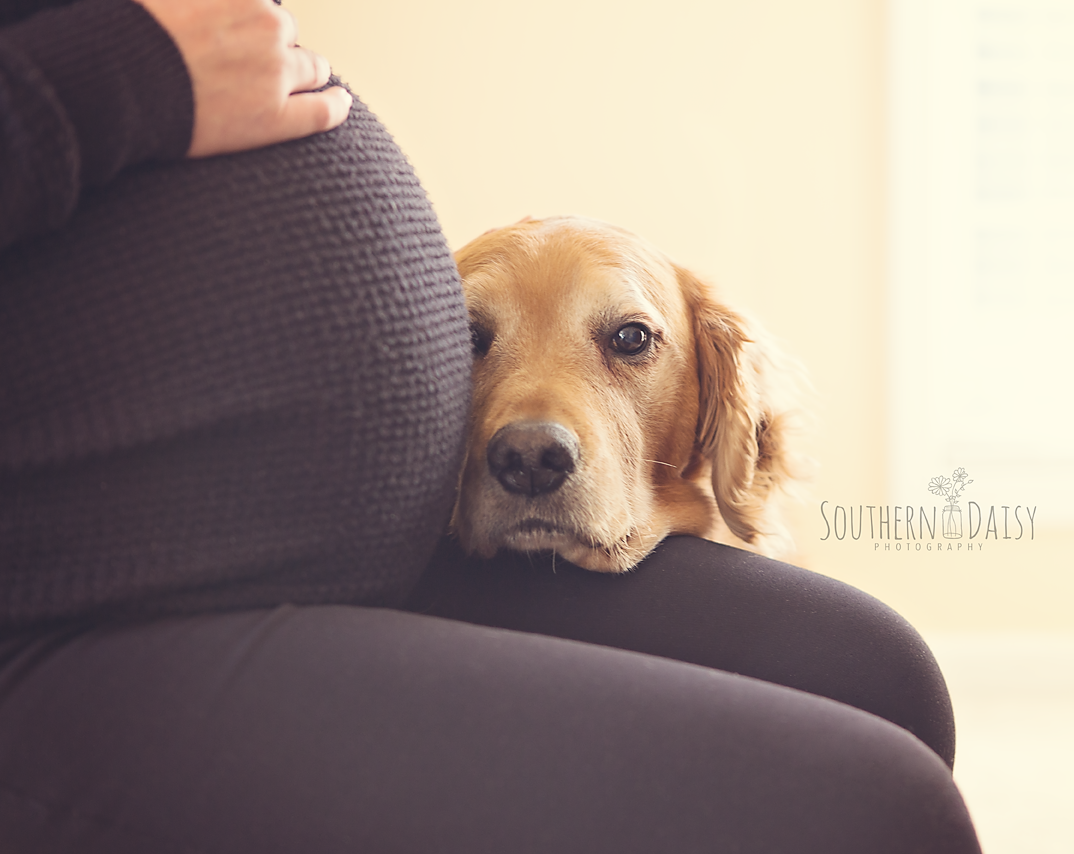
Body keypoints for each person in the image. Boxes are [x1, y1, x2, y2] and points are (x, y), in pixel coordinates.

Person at [0, 0, 983, 850]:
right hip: (68, 608)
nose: (535, 433)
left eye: (628, 340)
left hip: (322, 559)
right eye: (475, 339)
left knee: (878, 672)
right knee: (878, 814)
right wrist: (112, 79)